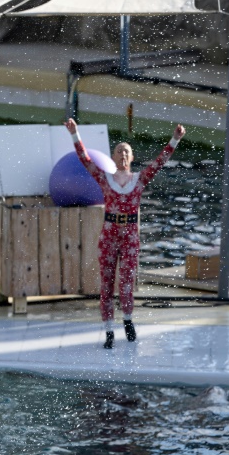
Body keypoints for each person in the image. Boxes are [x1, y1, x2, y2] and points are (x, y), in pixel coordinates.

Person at [64, 118, 186, 349]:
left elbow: (160, 161)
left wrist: (175, 139)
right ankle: (109, 329)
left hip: (130, 236)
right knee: (107, 282)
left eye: (127, 151)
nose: (123, 154)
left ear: (132, 158)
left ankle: (128, 320)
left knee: (127, 280)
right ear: (113, 157)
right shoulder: (104, 178)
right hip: (109, 235)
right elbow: (85, 158)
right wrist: (74, 133)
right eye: (119, 151)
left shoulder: (140, 179)